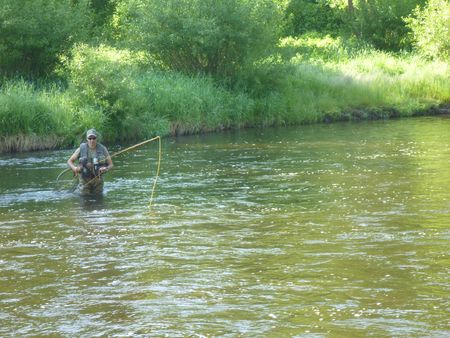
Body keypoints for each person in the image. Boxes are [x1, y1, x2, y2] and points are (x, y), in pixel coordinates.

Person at [67, 129, 113, 195]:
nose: (92, 140)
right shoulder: (81, 148)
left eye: (94, 138)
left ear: (96, 139)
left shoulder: (103, 149)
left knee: (98, 200)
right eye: (90, 138)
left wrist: (106, 168)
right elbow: (69, 161)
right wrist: (74, 168)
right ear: (87, 139)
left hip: (98, 180)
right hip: (84, 180)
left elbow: (111, 165)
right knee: (84, 199)